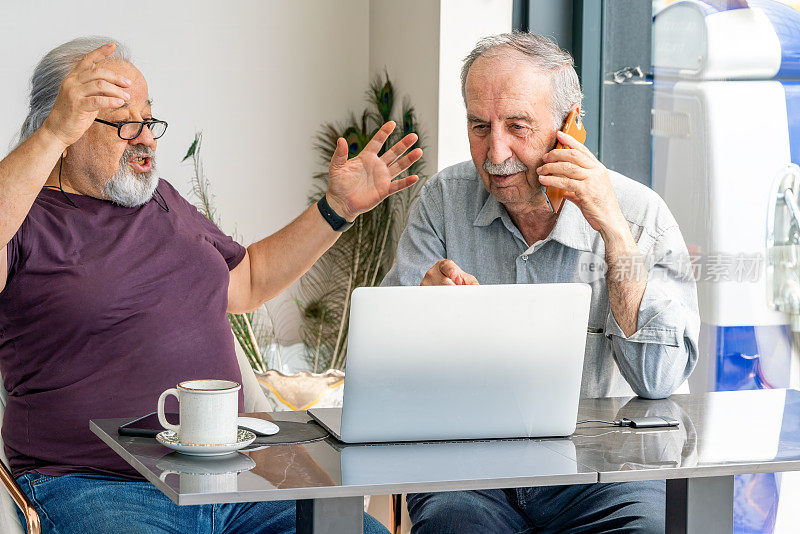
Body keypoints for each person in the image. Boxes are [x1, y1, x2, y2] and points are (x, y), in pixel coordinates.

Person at [0, 37, 421, 533]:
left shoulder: (161, 202)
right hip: (95, 483)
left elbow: (248, 281)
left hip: (233, 476)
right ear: (68, 124)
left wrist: (338, 209)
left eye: (149, 120)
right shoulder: (25, 216)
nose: (148, 140)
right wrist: (49, 133)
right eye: (124, 122)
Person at [381, 32, 700, 533]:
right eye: (480, 126)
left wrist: (615, 235)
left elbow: (659, 378)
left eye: (517, 126)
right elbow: (385, 369)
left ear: (571, 125)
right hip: (471, 476)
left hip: (610, 476)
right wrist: (421, 312)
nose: (496, 152)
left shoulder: (638, 215)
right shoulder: (445, 200)